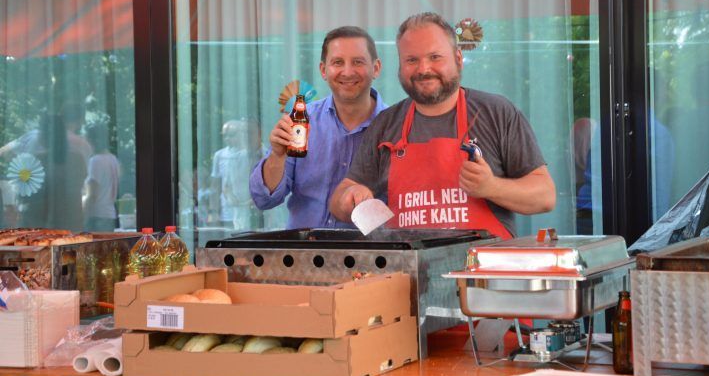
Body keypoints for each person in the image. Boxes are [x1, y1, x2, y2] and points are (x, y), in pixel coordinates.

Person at [329, 13, 555, 238]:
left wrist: (491, 187)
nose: (423, 69)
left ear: (458, 58)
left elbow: (545, 196)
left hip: (482, 261)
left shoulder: (497, 113)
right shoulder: (385, 124)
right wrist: (351, 196)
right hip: (410, 261)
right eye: (411, 60)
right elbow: (339, 201)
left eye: (435, 57)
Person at [250, 26, 387, 229]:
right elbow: (263, 200)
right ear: (323, 70)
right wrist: (277, 156)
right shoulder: (301, 121)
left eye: (358, 62)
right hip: (302, 247)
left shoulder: (396, 128)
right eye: (338, 62)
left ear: (376, 68)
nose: (347, 72)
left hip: (369, 248)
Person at [211, 120, 254, 231]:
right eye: (224, 135)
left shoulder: (252, 154)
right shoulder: (219, 155)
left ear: (242, 133)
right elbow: (215, 186)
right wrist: (213, 211)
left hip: (250, 210)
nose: (227, 138)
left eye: (231, 135)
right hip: (227, 211)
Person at [82, 121, 121, 232]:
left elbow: (92, 194)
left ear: (92, 140)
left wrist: (82, 216)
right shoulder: (113, 159)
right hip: (109, 214)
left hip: (96, 216)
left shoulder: (96, 161)